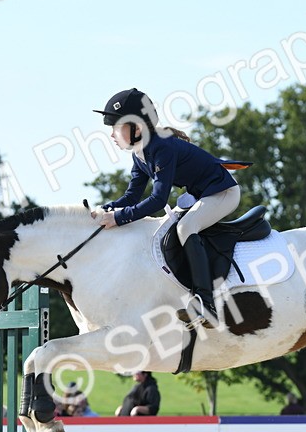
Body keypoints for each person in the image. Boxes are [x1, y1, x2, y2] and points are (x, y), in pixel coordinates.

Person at [90, 88, 242, 326]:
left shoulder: (162, 147)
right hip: (199, 195)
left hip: (222, 192)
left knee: (186, 227)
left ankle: (206, 303)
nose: (112, 135)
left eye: (116, 128)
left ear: (137, 128)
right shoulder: (139, 154)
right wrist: (106, 209)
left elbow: (158, 201)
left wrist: (118, 219)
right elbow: (132, 196)